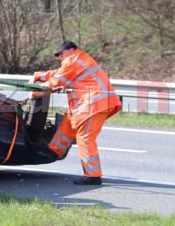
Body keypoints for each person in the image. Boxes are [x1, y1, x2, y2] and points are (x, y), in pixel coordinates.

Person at [29, 40, 121, 185]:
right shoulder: (77, 60)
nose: (59, 57)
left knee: (84, 137)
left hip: (93, 104)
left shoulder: (72, 60)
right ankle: (52, 151)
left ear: (71, 50)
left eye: (61, 53)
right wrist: (39, 76)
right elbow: (58, 74)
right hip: (87, 105)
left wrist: (35, 91)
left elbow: (56, 82)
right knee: (68, 124)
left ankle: (93, 175)